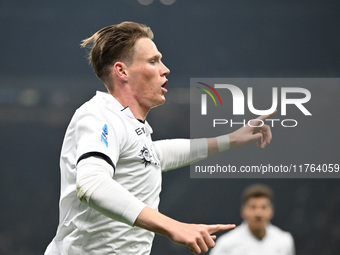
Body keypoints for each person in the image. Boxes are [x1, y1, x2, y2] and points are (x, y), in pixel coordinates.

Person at [45, 21, 275, 255]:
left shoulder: (131, 125)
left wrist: (232, 139)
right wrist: (173, 227)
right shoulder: (99, 114)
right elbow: (91, 184)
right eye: (153, 61)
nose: (165, 69)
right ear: (122, 71)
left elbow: (156, 155)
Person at [210, 184, 295, 255]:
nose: (258, 213)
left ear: (271, 211)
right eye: (253, 207)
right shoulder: (226, 244)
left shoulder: (284, 240)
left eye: (263, 207)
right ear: (243, 211)